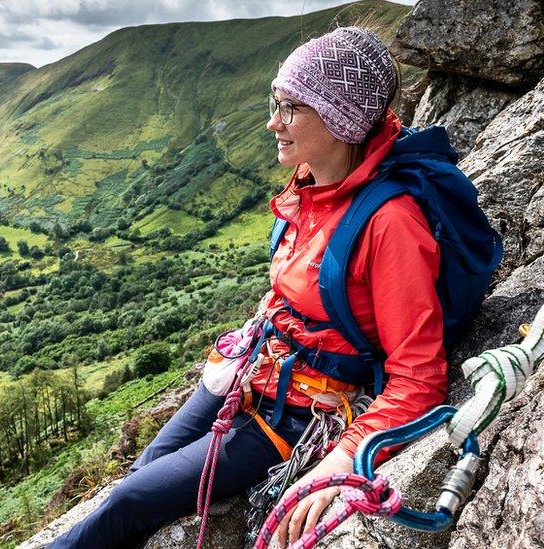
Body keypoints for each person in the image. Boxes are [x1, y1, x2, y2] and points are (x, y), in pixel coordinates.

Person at [50, 26, 448, 549]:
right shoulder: (311, 181)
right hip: (256, 368)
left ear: (340, 119)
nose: (272, 122)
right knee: (138, 479)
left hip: (301, 409)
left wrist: (335, 465)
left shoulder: (390, 223)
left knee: (129, 503)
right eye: (274, 102)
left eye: (291, 108)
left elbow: (419, 378)